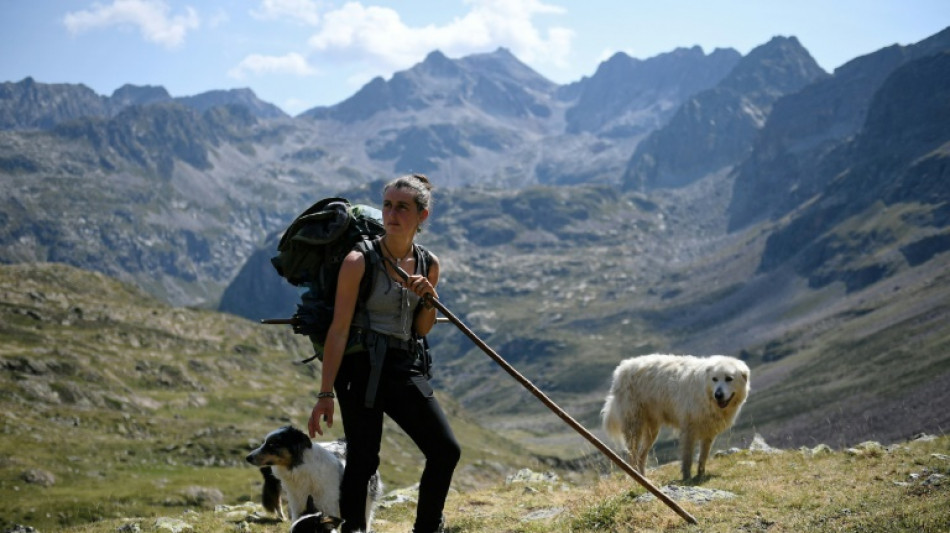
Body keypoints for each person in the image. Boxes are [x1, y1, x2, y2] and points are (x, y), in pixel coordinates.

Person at [308, 174, 460, 533]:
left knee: (445, 450)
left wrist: (428, 299)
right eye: (388, 205)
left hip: (404, 365)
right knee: (363, 459)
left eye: (402, 207)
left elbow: (421, 329)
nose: (391, 214)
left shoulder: (428, 263)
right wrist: (325, 393)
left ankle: (426, 528)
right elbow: (339, 329)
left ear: (422, 216)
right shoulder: (358, 261)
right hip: (359, 368)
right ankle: (355, 530)